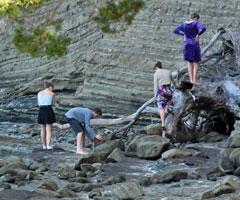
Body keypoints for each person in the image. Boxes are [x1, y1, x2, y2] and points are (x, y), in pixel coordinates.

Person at [173, 13, 206, 85]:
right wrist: (198, 35)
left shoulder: (184, 24)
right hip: (194, 44)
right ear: (195, 18)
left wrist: (184, 34)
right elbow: (203, 28)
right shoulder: (195, 23)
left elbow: (175, 30)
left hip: (186, 44)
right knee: (196, 62)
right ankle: (194, 80)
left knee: (189, 62)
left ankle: (191, 80)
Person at [153, 61, 173, 138]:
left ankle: (163, 124)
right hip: (169, 90)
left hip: (161, 91)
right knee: (168, 105)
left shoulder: (156, 74)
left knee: (161, 107)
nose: (154, 71)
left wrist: (155, 96)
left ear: (156, 67)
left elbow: (156, 86)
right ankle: (167, 113)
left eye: (154, 69)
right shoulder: (168, 71)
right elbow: (172, 83)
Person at [37, 81, 56, 150]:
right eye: (52, 88)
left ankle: (44, 145)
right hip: (48, 109)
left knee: (42, 128)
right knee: (49, 129)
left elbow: (39, 104)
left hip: (41, 110)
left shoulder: (39, 93)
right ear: (50, 87)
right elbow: (53, 104)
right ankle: (48, 145)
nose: (53, 89)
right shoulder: (52, 94)